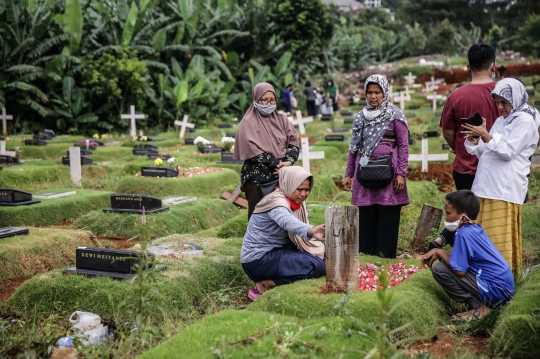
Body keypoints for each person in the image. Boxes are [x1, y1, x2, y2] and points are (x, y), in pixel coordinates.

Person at [463, 77, 540, 275]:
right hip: (485, 187)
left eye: (503, 102)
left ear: (515, 98)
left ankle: (500, 282)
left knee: (497, 238)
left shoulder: (525, 121)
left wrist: (486, 135)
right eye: (497, 102)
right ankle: (478, 280)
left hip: (503, 190)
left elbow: (507, 151)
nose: (500, 107)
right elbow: (487, 152)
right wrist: (476, 139)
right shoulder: (500, 121)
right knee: (482, 235)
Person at [431, 43, 501, 250]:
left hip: (466, 168)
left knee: (465, 215)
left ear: (468, 67)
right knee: (494, 216)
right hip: (497, 168)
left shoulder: (457, 95)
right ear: (493, 66)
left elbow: (448, 131)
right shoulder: (503, 93)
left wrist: (456, 148)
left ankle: (462, 252)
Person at [343, 74, 410, 258]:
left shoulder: (394, 115)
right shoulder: (360, 118)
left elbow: (403, 145)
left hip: (390, 174)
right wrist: (349, 174)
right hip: (364, 173)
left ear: (384, 92)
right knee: (366, 216)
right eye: (369, 92)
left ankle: (385, 258)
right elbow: (354, 148)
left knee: (388, 215)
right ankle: (365, 257)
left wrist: (401, 173)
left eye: (377, 92)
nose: (373, 96)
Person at [422, 190, 514, 320]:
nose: (445, 217)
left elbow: (459, 271)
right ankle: (481, 305)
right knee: (445, 265)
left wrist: (439, 251)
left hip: (497, 290)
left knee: (440, 269)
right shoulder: (474, 228)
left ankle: (479, 308)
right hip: (504, 287)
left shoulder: (463, 234)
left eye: (448, 213)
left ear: (463, 217)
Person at [240, 166, 326, 300]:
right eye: (299, 189)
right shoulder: (276, 203)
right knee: (317, 266)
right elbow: (287, 221)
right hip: (259, 260)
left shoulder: (294, 201)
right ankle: (266, 283)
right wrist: (311, 230)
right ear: (289, 184)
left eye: (307, 189)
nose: (303, 194)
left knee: (322, 257)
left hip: (277, 252)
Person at [234, 82, 300, 219]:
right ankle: (256, 241)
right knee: (258, 215)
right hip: (257, 178)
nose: (268, 103)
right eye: (264, 100)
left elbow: (293, 142)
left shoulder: (282, 120)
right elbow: (252, 150)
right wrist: (278, 164)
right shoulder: (248, 122)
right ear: (256, 99)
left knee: (282, 213)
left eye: (272, 99)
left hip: (281, 176)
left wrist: (288, 162)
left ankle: (279, 241)